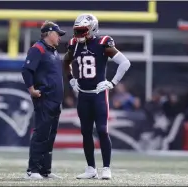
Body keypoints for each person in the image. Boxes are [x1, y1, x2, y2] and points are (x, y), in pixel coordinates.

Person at [63, 14, 131, 180]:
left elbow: (125, 63)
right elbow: (65, 62)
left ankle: (106, 168)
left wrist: (112, 83)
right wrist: (71, 79)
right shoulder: (73, 44)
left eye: (82, 30)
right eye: (76, 30)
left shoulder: (103, 43)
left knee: (102, 130)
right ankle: (90, 168)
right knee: (86, 132)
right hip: (83, 96)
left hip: (99, 94)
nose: (78, 34)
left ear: (92, 28)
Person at [21, 20, 66, 180]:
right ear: (49, 33)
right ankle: (32, 170)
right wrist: (31, 89)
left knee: (50, 135)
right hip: (44, 99)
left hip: (55, 100)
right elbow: (26, 70)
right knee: (41, 134)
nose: (60, 37)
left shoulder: (53, 51)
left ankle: (45, 170)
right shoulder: (37, 48)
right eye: (58, 34)